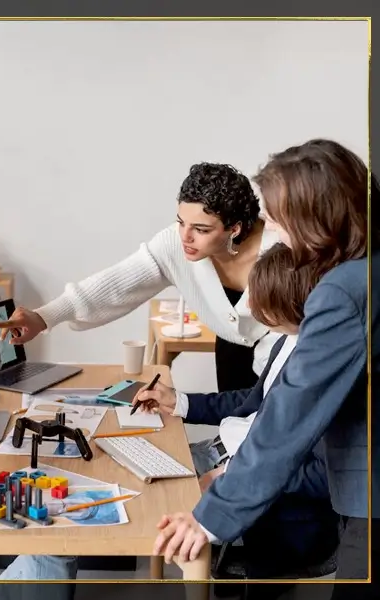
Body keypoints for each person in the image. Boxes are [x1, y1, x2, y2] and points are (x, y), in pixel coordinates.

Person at [0, 242, 339, 600]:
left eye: (260, 302)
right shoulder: (288, 342)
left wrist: (234, 478)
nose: (250, 309)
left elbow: (318, 473)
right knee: (85, 481)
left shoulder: (322, 364)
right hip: (218, 456)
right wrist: (178, 401)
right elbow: (251, 401)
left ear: (286, 302)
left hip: (241, 483)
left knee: (58, 521)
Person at [152, 139, 378, 600]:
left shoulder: (342, 292)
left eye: (275, 215)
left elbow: (288, 418)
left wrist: (210, 515)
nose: (269, 226)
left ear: (314, 216)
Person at [0, 162, 281, 392]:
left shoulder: (282, 250)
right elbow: (117, 283)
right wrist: (44, 317)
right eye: (181, 222)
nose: (186, 237)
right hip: (231, 357)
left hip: (284, 364)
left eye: (202, 229)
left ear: (235, 229)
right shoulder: (176, 244)